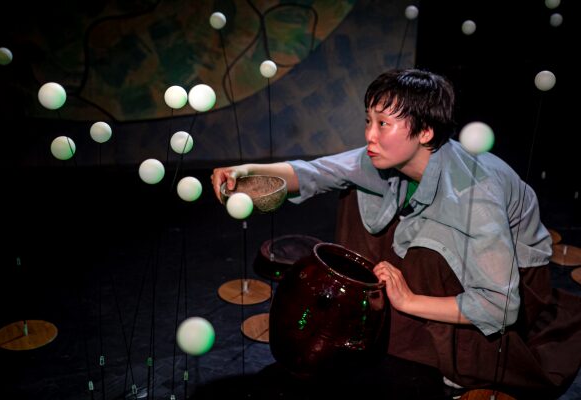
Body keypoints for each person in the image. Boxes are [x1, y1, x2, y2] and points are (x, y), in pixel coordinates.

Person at [211, 68, 581, 397]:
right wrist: (245, 172)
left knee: (427, 253)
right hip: (466, 263)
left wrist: (408, 302)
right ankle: (371, 307)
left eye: (383, 124)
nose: (369, 135)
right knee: (354, 186)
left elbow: (501, 306)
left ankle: (452, 353)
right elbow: (317, 172)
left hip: (513, 284)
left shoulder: (472, 197)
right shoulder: (385, 158)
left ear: (425, 131)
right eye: (368, 121)